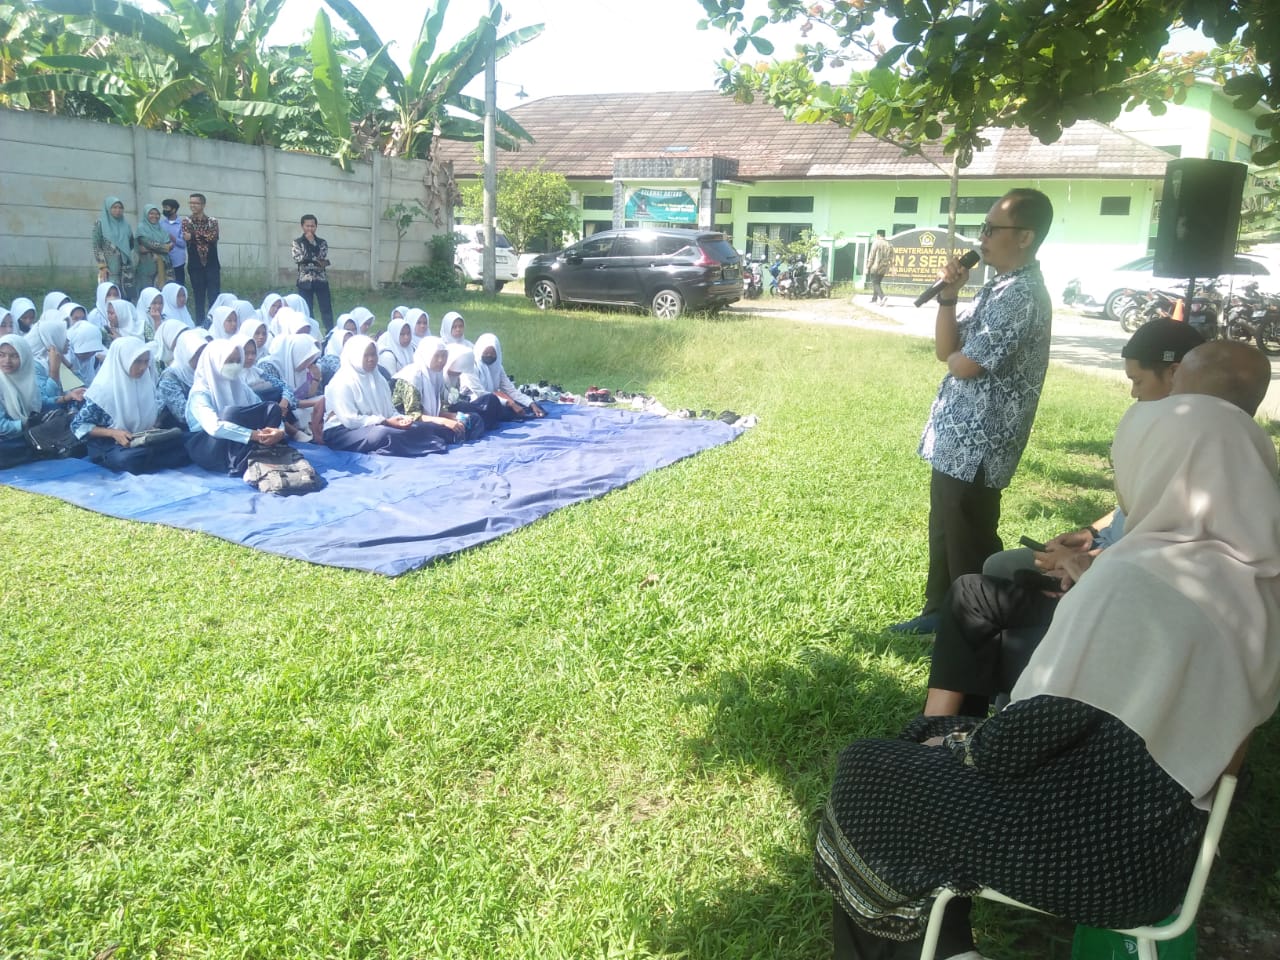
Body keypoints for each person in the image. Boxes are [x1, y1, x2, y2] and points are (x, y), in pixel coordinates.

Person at [816, 392, 1280, 960]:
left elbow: (1027, 735)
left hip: (1086, 856)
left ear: (1161, 467)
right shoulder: (1262, 587)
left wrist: (946, 740)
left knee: (871, 771)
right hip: (1167, 854)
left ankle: (942, 952)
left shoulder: (1135, 577)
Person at [890, 189, 1054, 635]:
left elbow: (964, 365)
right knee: (945, 529)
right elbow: (946, 348)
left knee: (971, 538)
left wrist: (958, 357)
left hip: (982, 441)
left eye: (990, 229)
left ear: (1024, 237)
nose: (980, 238)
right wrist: (948, 297)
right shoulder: (998, 287)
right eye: (981, 228)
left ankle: (976, 626)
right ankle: (938, 613)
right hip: (956, 437)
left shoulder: (1022, 295)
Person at [70, 336, 188, 473]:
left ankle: (149, 457)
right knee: (127, 460)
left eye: (146, 362)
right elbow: (78, 425)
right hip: (112, 444)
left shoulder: (145, 383)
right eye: (137, 362)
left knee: (183, 444)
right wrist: (113, 433)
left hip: (141, 439)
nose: (143, 367)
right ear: (123, 361)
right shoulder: (103, 391)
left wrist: (153, 426)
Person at [322, 335, 451, 457]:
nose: (371, 359)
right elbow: (350, 420)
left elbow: (390, 411)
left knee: (422, 427)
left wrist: (401, 419)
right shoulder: (341, 382)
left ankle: (431, 441)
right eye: (365, 355)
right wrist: (384, 421)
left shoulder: (379, 379)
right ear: (354, 357)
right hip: (343, 432)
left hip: (377, 424)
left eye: (373, 354)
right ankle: (426, 444)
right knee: (383, 434)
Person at [184, 338, 288, 475]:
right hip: (210, 447)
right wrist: (254, 435)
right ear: (215, 362)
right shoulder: (200, 393)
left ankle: (260, 450)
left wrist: (279, 431)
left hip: (239, 439)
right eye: (229, 361)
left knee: (272, 408)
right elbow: (214, 428)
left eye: (238, 361)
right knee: (230, 414)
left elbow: (260, 406)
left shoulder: (240, 385)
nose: (235, 365)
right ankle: (253, 453)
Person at [0, 334, 84, 466]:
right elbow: (2, 426)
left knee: (66, 418)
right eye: (2, 355)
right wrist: (26, 423)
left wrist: (65, 398)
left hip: (26, 432)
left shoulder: (26, 378)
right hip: (6, 439)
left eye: (14, 356)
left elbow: (39, 403)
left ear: (25, 357)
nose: (7, 361)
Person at [391, 336, 478, 443]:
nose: (441, 360)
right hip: (406, 422)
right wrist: (445, 421)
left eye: (444, 356)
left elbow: (438, 409)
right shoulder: (413, 377)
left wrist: (454, 416)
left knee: (471, 419)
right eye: (436, 356)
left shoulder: (437, 374)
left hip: (428, 419)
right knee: (441, 430)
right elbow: (413, 415)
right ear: (427, 356)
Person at [456, 333, 546, 428]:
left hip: (493, 401)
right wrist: (509, 403)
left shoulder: (498, 367)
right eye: (486, 353)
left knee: (526, 407)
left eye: (492, 353)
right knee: (494, 401)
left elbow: (510, 390)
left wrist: (531, 403)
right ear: (479, 351)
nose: (489, 355)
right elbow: (481, 394)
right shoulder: (471, 367)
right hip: (474, 402)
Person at [156, 328, 212, 429]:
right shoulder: (170, 377)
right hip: (176, 431)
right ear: (185, 354)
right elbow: (182, 414)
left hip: (204, 425)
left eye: (203, 353)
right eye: (196, 354)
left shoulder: (205, 371)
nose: (201, 358)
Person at [181, 192, 220, 325]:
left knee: (214, 296)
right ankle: (199, 325)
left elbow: (213, 237)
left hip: (212, 264)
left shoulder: (212, 221)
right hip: (195, 265)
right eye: (191, 203)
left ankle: (214, 323)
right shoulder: (186, 221)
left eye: (196, 203)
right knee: (199, 297)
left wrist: (193, 237)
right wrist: (202, 236)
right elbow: (186, 236)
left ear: (203, 205)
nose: (193, 205)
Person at [291, 214, 333, 333]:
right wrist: (313, 259)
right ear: (302, 226)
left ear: (316, 227)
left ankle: (330, 331)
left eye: (312, 226)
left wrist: (311, 245)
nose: (310, 229)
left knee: (326, 308)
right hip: (304, 280)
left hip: (321, 279)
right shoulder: (297, 242)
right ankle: (310, 332)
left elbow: (322, 256)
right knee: (307, 308)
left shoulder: (322, 242)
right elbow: (298, 258)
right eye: (307, 226)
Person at [92, 196, 135, 297]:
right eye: (114, 207)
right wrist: (102, 266)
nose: (118, 210)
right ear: (108, 209)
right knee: (111, 295)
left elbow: (131, 243)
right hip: (109, 268)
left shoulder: (126, 225)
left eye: (120, 208)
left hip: (126, 268)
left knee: (126, 296)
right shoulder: (100, 223)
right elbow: (96, 246)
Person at [135, 203, 174, 290]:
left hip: (164, 266)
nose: (155, 216)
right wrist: (165, 248)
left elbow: (169, 244)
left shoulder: (161, 229)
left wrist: (149, 249)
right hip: (147, 266)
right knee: (148, 292)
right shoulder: (142, 228)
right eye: (151, 213)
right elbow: (148, 243)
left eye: (157, 214)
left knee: (163, 292)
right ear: (146, 214)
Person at [160, 199, 188, 286]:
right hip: (164, 259)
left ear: (174, 209)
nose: (164, 210)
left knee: (179, 285)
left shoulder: (182, 224)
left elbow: (183, 244)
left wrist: (173, 238)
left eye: (167, 208)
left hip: (178, 260)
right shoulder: (161, 223)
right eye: (164, 207)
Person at [865, 229, 893, 305]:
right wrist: (892, 267)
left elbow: (872, 255)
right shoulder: (889, 244)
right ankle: (874, 299)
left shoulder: (876, 243)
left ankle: (882, 297)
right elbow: (891, 258)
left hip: (876, 266)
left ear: (878, 235)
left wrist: (867, 267)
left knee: (875, 283)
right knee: (877, 282)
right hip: (884, 267)